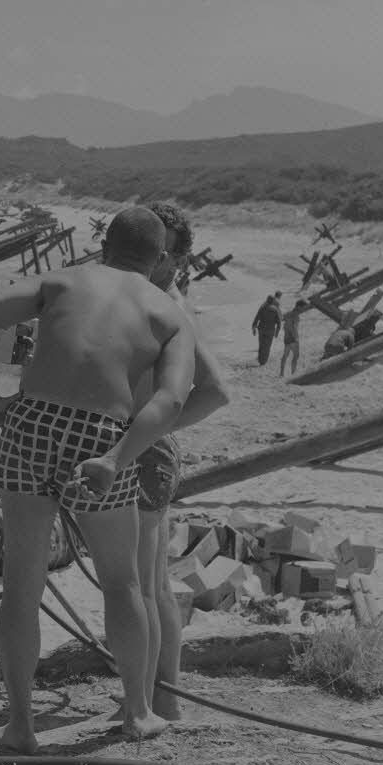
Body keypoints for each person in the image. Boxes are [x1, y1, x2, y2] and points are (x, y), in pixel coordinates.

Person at [0, 207, 196, 751]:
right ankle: (138, 713)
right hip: (102, 432)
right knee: (122, 582)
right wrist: (118, 455)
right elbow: (170, 400)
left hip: (32, 420)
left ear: (104, 244)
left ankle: (19, 726)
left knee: (22, 582)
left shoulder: (62, 278)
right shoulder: (166, 310)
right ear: (160, 259)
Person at [134, 203, 231, 721]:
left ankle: (158, 701)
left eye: (160, 248)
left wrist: (142, 432)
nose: (150, 256)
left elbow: (214, 391)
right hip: (145, 451)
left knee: (142, 586)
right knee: (151, 582)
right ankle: (160, 698)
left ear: (176, 259)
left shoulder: (169, 304)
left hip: (147, 455)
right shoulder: (152, 298)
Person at [279, 299, 309, 377]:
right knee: (296, 356)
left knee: (285, 355)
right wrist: (296, 338)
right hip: (293, 338)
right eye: (303, 307)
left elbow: (282, 319)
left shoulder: (288, 314)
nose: (304, 309)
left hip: (286, 337)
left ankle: (281, 373)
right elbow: (294, 328)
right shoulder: (296, 316)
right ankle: (293, 373)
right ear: (299, 307)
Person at [252, 295, 281, 365]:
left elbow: (256, 318)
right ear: (273, 301)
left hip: (261, 329)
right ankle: (264, 361)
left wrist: (254, 328)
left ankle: (260, 359)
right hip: (270, 330)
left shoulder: (262, 308)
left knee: (261, 345)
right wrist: (277, 332)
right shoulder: (275, 309)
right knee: (267, 346)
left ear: (267, 300)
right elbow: (279, 322)